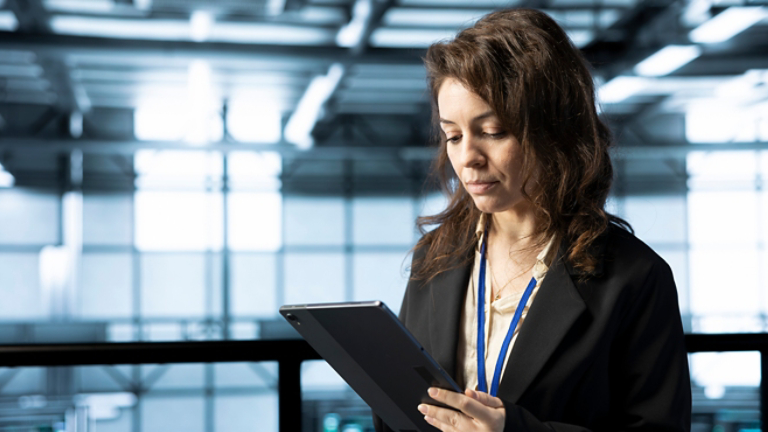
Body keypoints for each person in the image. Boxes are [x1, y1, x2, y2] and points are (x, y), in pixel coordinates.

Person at [372, 8, 691, 432]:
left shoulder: (633, 277)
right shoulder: (437, 257)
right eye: (453, 135)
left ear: (554, 132)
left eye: (493, 131)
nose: (467, 157)